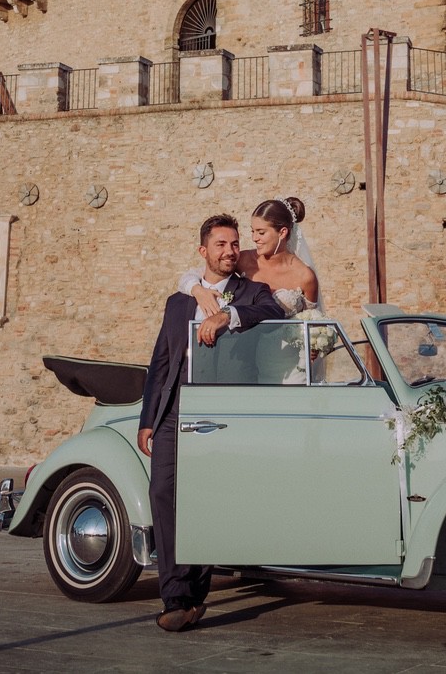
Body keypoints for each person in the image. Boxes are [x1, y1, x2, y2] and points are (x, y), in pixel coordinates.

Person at [136, 214, 285, 633]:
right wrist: (148, 419)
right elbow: (160, 363)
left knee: (205, 498)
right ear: (203, 251)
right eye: (221, 245)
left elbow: (273, 309)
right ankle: (174, 591)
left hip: (221, 411)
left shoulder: (252, 293)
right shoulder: (178, 301)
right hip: (173, 410)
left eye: (235, 244)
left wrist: (226, 317)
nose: (230, 251)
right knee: (163, 494)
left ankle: (186, 599)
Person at [185, 196, 320, 318]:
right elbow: (198, 273)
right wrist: (197, 290)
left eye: (261, 232)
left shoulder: (305, 276)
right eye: (253, 231)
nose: (254, 238)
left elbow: (313, 321)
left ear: (282, 232)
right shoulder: (244, 260)